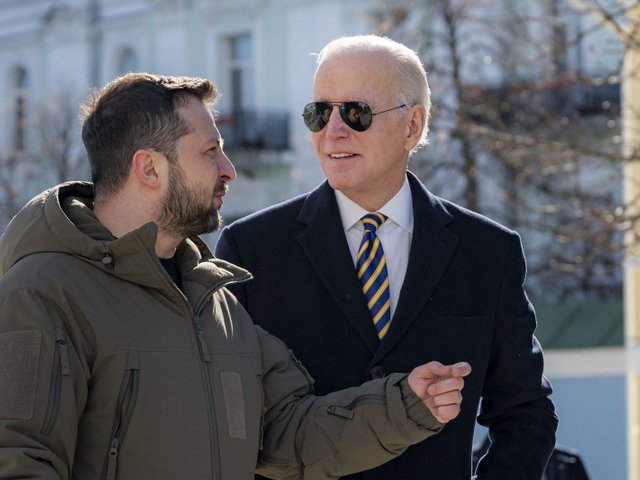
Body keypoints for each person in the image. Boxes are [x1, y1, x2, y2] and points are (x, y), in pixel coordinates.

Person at [0, 72, 471, 480]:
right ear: (149, 167)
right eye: (211, 151)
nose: (228, 170)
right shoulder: (41, 293)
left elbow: (284, 433)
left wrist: (405, 405)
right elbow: (18, 458)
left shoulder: (214, 302)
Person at [215, 35, 558, 479]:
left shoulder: (488, 251)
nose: (333, 131)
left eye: (355, 112)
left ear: (412, 125)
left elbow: (526, 411)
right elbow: (236, 425)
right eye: (319, 113)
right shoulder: (251, 249)